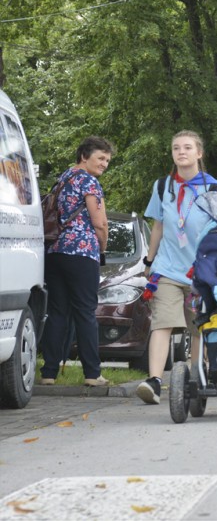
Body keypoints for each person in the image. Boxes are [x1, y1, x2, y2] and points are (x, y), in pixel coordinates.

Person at [136, 131, 217, 405]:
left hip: (201, 271)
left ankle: (196, 377)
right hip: (168, 269)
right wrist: (149, 262)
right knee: (162, 323)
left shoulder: (214, 189)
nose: (181, 152)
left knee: (199, 327)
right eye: (176, 148)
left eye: (187, 147)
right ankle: (155, 381)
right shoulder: (163, 186)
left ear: (199, 153)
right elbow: (158, 226)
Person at [39, 136, 114, 387]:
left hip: (54, 252)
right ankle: (92, 374)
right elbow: (100, 223)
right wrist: (101, 247)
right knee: (85, 312)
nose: (104, 164)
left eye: (107, 160)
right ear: (84, 156)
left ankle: (48, 373)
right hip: (81, 253)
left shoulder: (63, 178)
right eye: (100, 158)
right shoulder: (89, 181)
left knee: (58, 312)